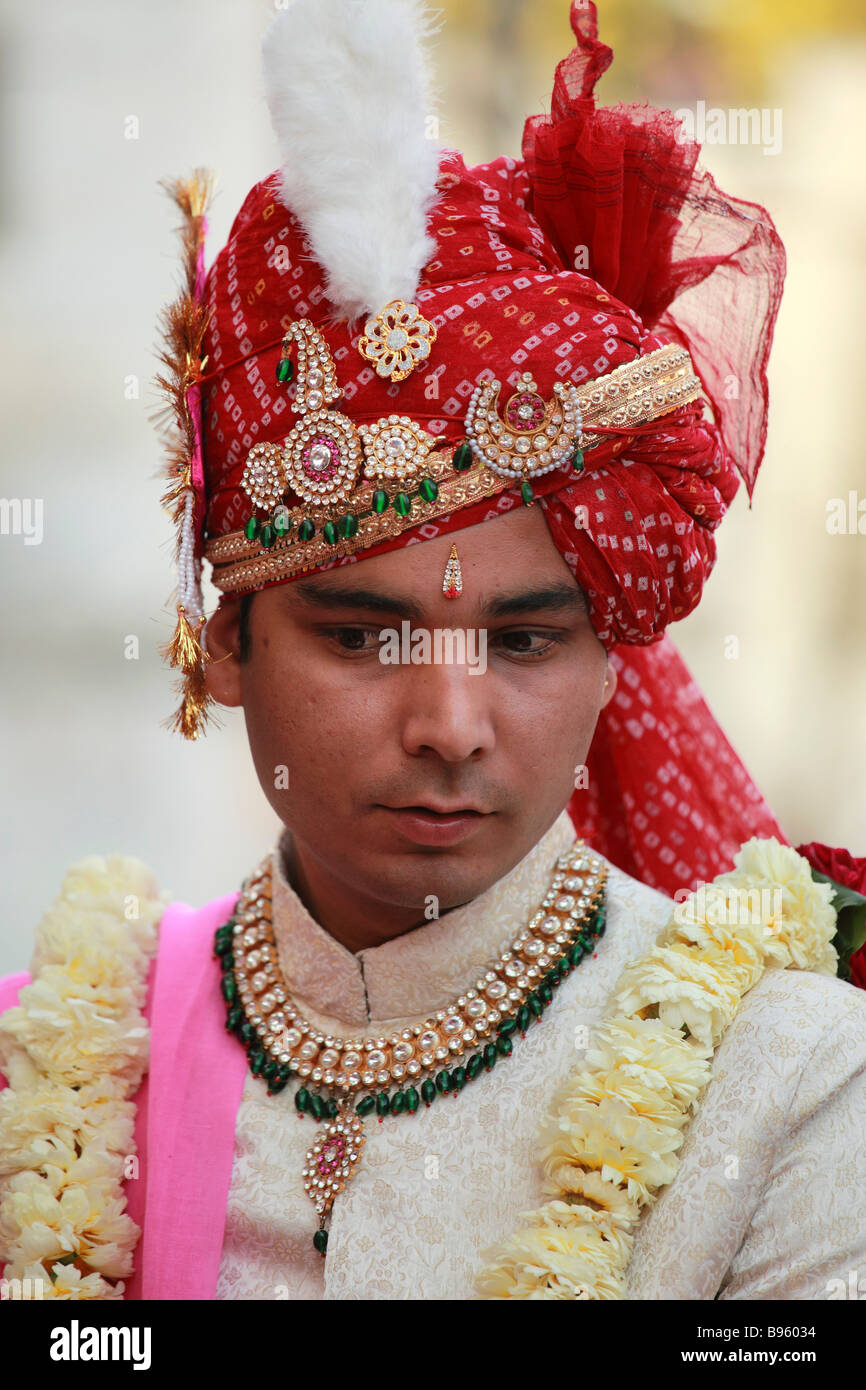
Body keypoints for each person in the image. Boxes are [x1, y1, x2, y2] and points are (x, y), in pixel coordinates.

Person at [1, 0, 865, 1303]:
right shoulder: (52, 1057)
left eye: (523, 639)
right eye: (362, 634)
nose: (451, 723)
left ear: (613, 653)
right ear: (223, 641)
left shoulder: (791, 1085)